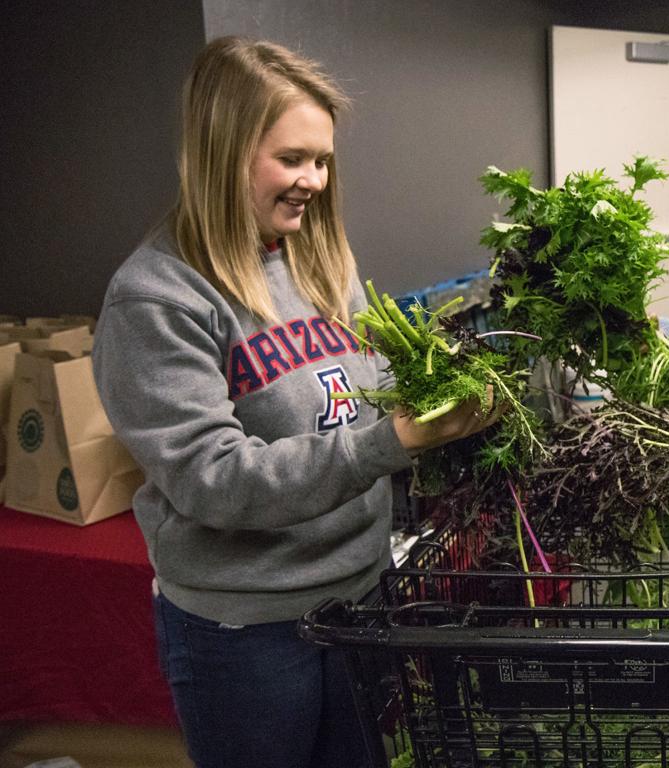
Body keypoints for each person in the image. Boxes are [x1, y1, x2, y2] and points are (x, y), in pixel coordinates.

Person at [92, 37, 495, 768]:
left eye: (322, 160)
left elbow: (362, 404)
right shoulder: (157, 297)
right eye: (293, 159)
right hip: (247, 631)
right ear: (223, 152)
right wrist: (391, 444)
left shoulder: (318, 261)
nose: (313, 179)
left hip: (362, 594)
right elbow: (214, 479)